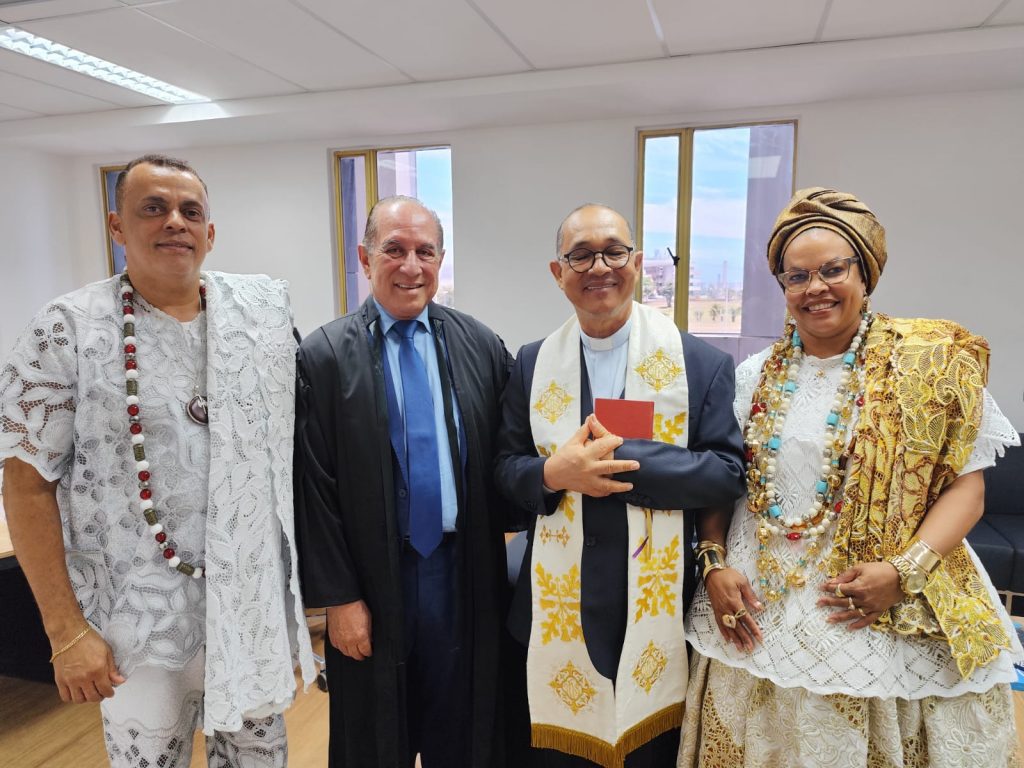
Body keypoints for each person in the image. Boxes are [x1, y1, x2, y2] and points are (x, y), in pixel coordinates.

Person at [677, 187, 1023, 767]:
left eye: (832, 270)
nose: (814, 288)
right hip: (760, 604)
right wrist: (712, 562)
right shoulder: (752, 377)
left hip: (879, 604)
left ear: (865, 274)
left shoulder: (930, 364)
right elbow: (723, 478)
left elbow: (968, 488)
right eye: (796, 277)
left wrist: (903, 573)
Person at [0, 154, 315, 767]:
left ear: (210, 232)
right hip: (133, 626)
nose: (175, 222)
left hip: (246, 615)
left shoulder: (261, 319)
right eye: (154, 208)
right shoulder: (67, 330)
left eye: (189, 211)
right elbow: (26, 483)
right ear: (117, 226)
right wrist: (66, 632)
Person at [495, 204, 746, 768]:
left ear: (636, 263)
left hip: (660, 606)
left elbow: (726, 472)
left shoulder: (699, 363)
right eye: (581, 256)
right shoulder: (532, 363)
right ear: (558, 273)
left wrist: (621, 462)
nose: (599, 267)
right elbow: (504, 469)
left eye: (614, 252)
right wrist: (552, 474)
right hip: (554, 605)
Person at [294, 195, 513, 767]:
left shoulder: (481, 346)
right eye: (394, 249)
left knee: (464, 730)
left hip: (465, 573)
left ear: (441, 260)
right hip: (371, 579)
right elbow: (314, 487)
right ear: (365, 258)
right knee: (374, 735)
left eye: (425, 252)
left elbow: (510, 454)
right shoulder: (323, 357)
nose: (411, 266)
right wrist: (339, 599)